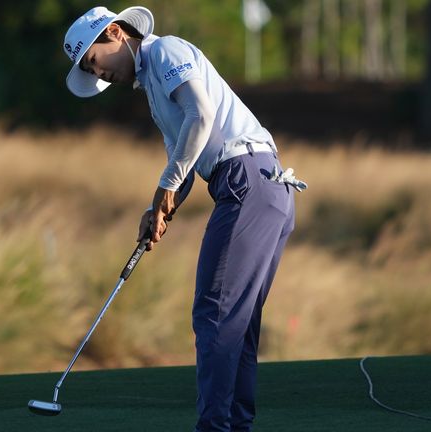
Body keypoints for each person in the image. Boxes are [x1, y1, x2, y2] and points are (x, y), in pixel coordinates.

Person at [63, 6, 306, 432]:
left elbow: (202, 116)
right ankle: (234, 426)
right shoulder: (154, 88)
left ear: (116, 33)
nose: (99, 74)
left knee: (214, 313)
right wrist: (159, 211)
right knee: (238, 324)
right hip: (258, 187)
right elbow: (188, 159)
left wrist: (165, 188)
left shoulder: (166, 52)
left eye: (94, 62)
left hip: (247, 182)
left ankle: (214, 428)